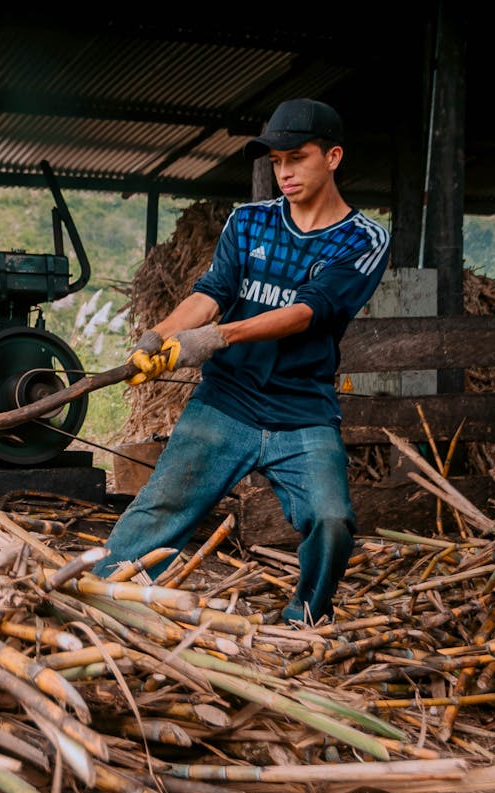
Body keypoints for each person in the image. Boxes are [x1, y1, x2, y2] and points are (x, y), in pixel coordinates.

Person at [93, 98, 390, 624]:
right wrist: (158, 335)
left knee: (332, 520)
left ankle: (306, 620)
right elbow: (211, 292)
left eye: (297, 158)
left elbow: (307, 312)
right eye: (276, 162)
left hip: (302, 411)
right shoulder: (248, 222)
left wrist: (213, 338)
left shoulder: (363, 239)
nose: (285, 172)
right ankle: (101, 599)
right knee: (159, 509)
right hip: (225, 402)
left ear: (334, 156)